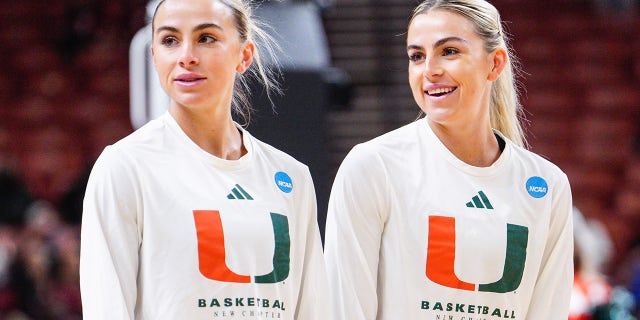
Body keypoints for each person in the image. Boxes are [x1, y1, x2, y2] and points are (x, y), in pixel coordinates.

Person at [323, 0, 574, 319]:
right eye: (417, 56)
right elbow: (343, 309)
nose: (430, 70)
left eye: (449, 51)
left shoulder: (547, 186)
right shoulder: (373, 167)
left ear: (495, 64)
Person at [79, 0, 329, 319]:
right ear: (154, 57)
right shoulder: (126, 167)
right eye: (170, 41)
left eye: (206, 38)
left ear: (244, 55)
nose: (186, 56)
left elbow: (313, 310)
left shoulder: (291, 177)